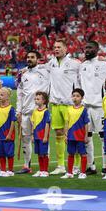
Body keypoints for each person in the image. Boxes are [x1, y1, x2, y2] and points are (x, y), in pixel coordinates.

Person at [79, 40, 106, 176]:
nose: (87, 50)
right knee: (86, 137)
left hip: (101, 106)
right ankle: (90, 165)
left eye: (89, 47)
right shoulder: (82, 66)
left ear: (97, 49)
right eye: (85, 47)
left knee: (103, 136)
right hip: (86, 106)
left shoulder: (104, 65)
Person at [46, 39, 81, 175]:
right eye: (54, 47)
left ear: (66, 49)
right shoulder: (51, 63)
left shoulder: (75, 64)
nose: (56, 49)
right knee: (59, 134)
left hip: (69, 105)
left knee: (73, 136)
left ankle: (77, 165)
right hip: (55, 104)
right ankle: (61, 165)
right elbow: (41, 69)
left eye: (59, 47)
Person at [16, 50, 49, 174]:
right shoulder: (22, 75)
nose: (29, 59)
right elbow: (19, 94)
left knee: (42, 139)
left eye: (32, 57)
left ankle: (44, 166)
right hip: (25, 112)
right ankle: (26, 165)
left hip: (39, 112)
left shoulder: (45, 72)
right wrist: (18, 111)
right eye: (28, 57)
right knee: (26, 139)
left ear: (38, 59)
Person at [61, 89, 90, 180]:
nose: (75, 98)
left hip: (80, 136)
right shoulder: (68, 109)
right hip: (71, 136)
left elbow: (86, 124)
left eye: (77, 96)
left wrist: (86, 136)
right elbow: (66, 123)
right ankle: (69, 172)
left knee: (83, 154)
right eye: (73, 96)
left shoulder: (84, 110)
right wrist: (65, 135)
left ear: (82, 98)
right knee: (70, 154)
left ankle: (83, 172)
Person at [0, 87, 17, 177]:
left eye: (2, 95)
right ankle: (2, 170)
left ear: (7, 97)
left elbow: (13, 122)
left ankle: (10, 170)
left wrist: (10, 134)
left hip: (8, 135)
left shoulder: (11, 109)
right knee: (1, 153)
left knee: (9, 153)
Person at [30, 91, 51, 177]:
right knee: (39, 153)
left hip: (43, 136)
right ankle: (41, 170)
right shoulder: (35, 111)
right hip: (36, 136)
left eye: (38, 99)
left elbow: (47, 124)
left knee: (44, 153)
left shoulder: (46, 112)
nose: (36, 100)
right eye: (35, 99)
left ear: (44, 101)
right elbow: (33, 123)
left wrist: (45, 136)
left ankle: (45, 171)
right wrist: (32, 135)